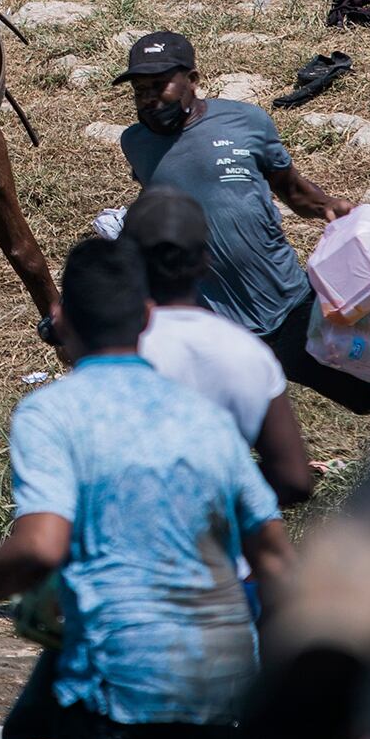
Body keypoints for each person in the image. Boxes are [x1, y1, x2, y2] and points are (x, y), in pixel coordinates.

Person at [0, 237, 293, 739]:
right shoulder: (204, 419)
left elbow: (40, 546)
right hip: (224, 692)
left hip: (117, 690)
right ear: (145, 317)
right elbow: (277, 563)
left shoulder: (52, 412)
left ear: (60, 321)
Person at [113, 30, 370, 422]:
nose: (148, 98)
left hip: (284, 299)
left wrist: (329, 206)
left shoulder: (245, 122)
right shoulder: (136, 143)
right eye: (139, 89)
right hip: (210, 313)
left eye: (160, 85)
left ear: (193, 80)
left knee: (360, 392)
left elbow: (292, 190)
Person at [126, 186, 316, 507]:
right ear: (205, 262)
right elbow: (295, 480)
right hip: (214, 546)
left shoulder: (114, 351)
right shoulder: (246, 351)